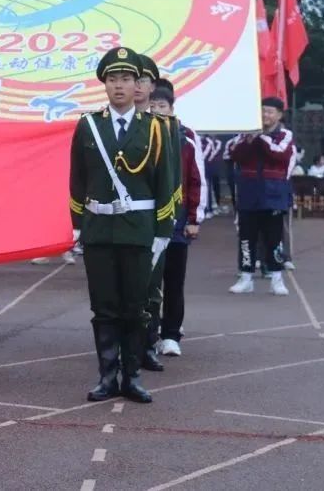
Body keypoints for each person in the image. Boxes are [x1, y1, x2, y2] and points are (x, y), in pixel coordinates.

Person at [70, 47, 174, 404]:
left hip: (138, 229)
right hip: (99, 228)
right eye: (113, 79)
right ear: (104, 84)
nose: (119, 86)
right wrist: (77, 225)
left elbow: (165, 182)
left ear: (138, 85)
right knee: (104, 306)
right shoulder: (89, 125)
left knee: (136, 306)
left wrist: (162, 232)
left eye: (126, 79)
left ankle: (131, 376)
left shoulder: (157, 129)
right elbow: (77, 179)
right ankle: (106, 376)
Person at [149, 87, 204, 357]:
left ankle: (171, 334)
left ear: (171, 108)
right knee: (147, 281)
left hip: (177, 219)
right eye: (153, 106)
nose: (157, 110)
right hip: (146, 220)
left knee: (173, 279)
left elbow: (196, 178)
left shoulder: (186, 137)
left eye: (162, 105)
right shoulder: (140, 134)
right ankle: (148, 332)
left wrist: (194, 217)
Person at [135, 62, 182, 374]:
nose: (136, 86)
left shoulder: (167, 128)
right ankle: (119, 348)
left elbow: (172, 178)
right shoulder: (100, 123)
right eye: (127, 79)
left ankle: (146, 343)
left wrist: (166, 224)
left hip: (153, 219)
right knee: (116, 290)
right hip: (118, 220)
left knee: (151, 288)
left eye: (142, 81)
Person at [228, 97, 296, 296]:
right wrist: (248, 139)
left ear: (279, 115)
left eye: (270, 111)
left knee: (274, 238)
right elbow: (233, 153)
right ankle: (246, 277)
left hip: (273, 194)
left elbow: (279, 154)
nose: (266, 115)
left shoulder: (284, 135)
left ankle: (276, 278)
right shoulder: (245, 133)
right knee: (246, 238)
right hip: (248, 193)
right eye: (263, 111)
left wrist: (260, 137)